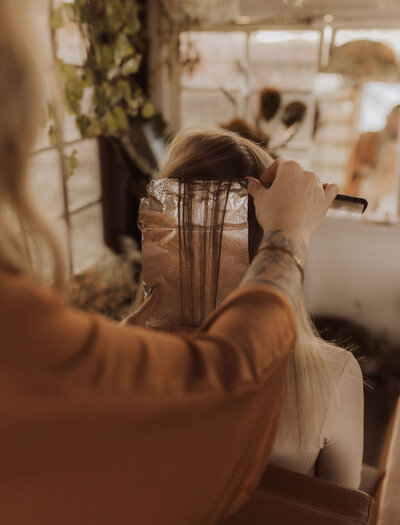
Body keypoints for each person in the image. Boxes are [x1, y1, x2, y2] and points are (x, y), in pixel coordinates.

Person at [0, 1, 338, 524]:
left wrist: (113, 343)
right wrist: (289, 236)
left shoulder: (97, 360)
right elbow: (228, 380)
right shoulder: (334, 377)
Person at [139, 128, 363, 489]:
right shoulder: (334, 379)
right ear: (265, 239)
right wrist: (291, 234)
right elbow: (346, 511)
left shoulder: (116, 367)